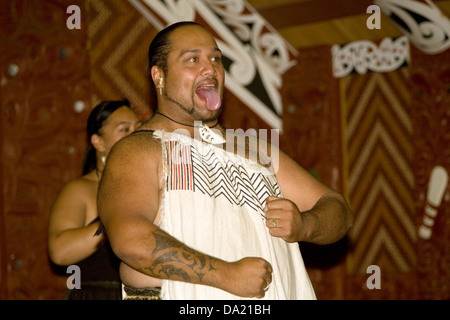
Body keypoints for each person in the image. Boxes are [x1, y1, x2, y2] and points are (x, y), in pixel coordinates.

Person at [97, 21, 354, 300]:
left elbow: (338, 209)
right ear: (159, 76)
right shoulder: (140, 148)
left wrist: (306, 224)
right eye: (193, 59)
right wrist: (226, 275)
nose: (210, 69)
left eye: (216, 58)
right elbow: (128, 238)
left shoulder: (254, 150)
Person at [47, 99, 142, 299]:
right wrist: (111, 219)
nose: (135, 135)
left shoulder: (148, 187)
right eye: (124, 129)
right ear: (98, 142)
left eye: (138, 128)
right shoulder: (81, 190)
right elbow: (59, 251)